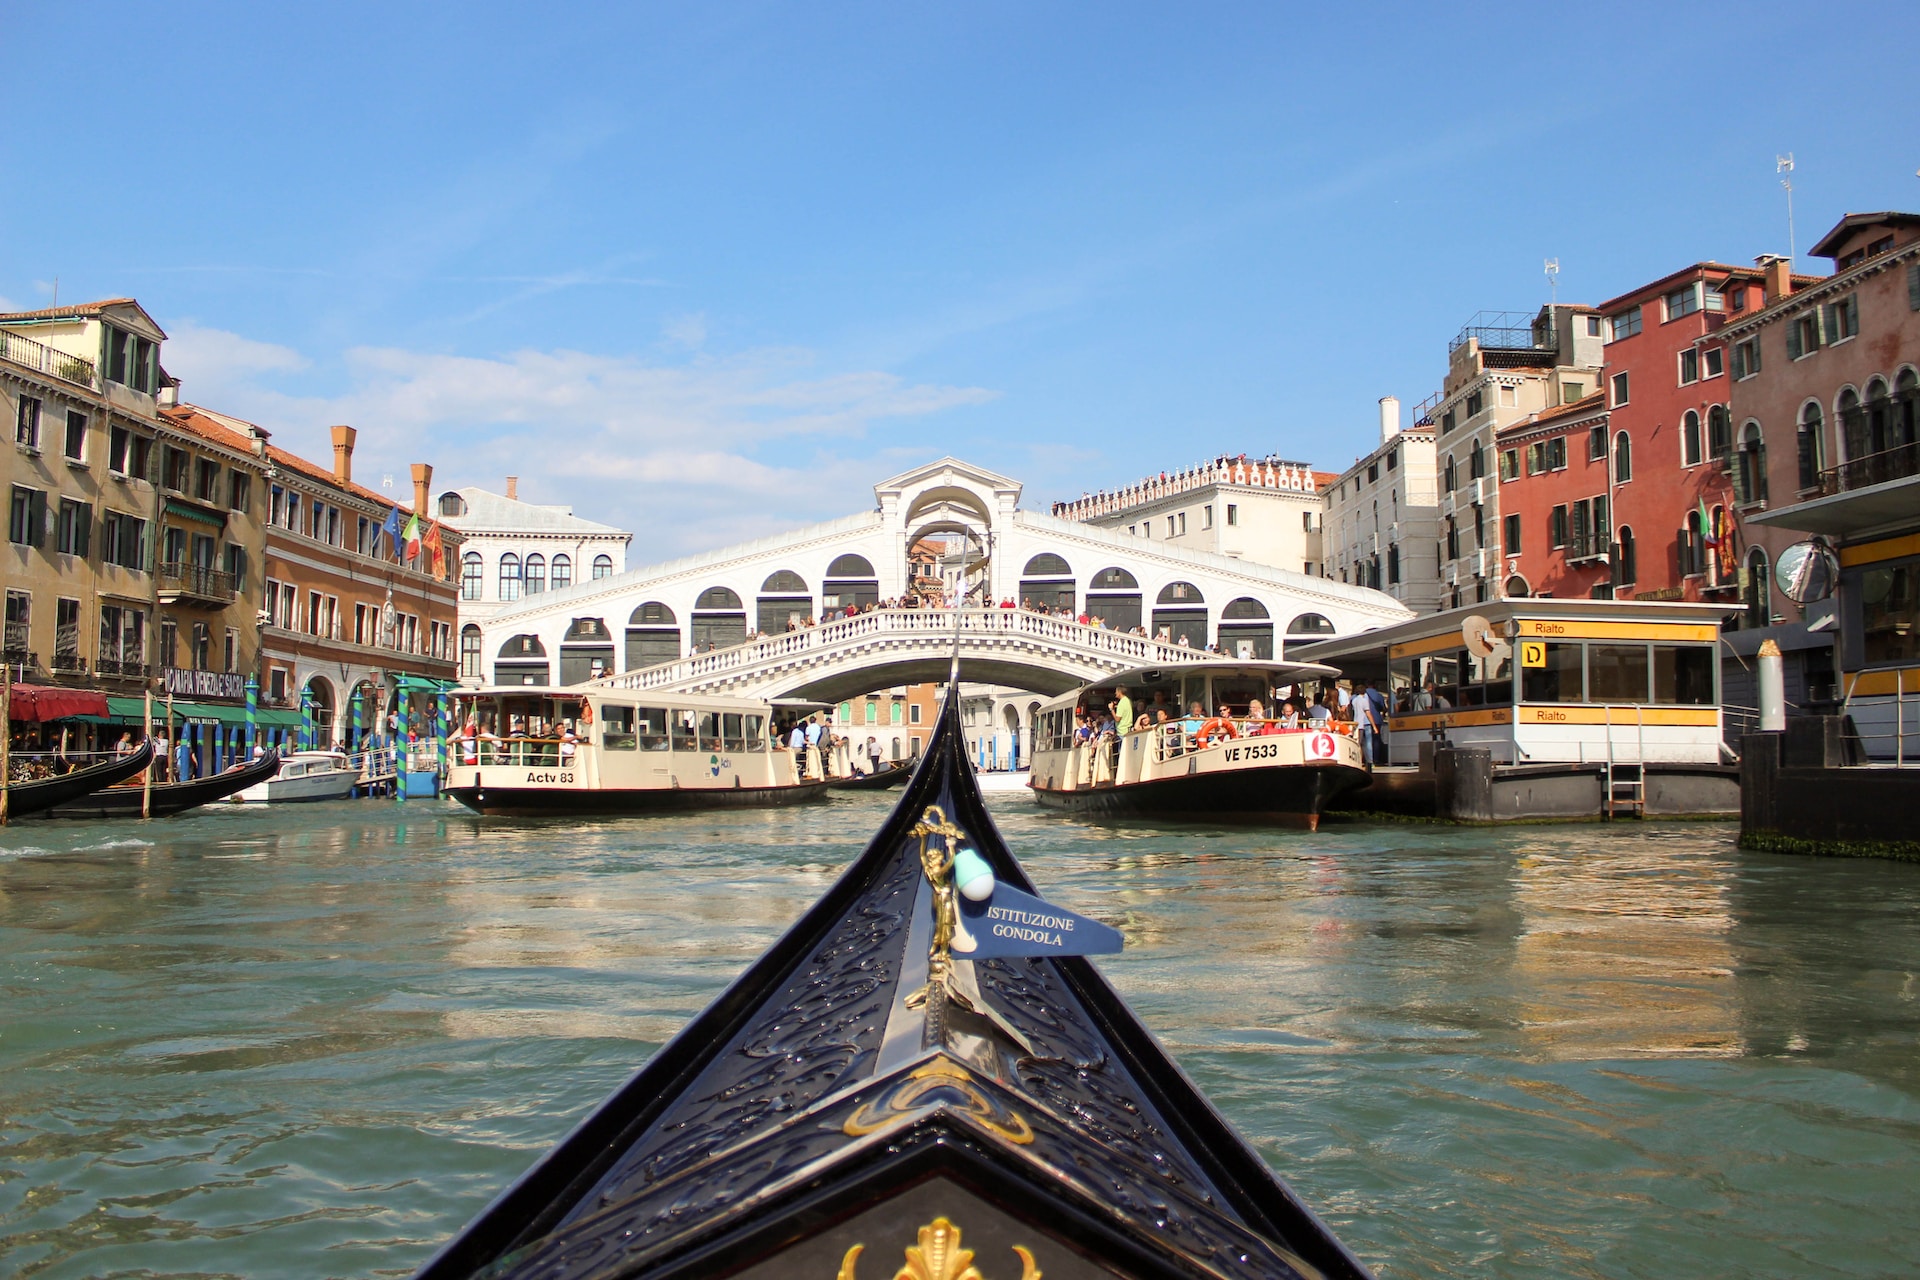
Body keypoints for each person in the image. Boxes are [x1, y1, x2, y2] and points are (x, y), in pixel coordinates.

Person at [1352, 679, 1382, 765]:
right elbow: (1368, 713)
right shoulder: (1364, 700)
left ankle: (1358, 760)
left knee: (1358, 743)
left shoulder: (1354, 700)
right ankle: (1370, 761)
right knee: (1368, 743)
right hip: (1365, 724)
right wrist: (1374, 726)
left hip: (1356, 723)